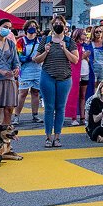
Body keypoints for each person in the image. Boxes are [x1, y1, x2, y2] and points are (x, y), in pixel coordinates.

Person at [33, 17, 78, 147]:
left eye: (61, 23)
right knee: (49, 107)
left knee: (60, 107)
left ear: (65, 26)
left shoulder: (70, 41)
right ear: (52, 26)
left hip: (64, 77)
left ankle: (57, 137)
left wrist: (65, 49)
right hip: (48, 76)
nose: (58, 25)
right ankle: (48, 137)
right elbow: (36, 59)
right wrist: (46, 51)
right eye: (56, 24)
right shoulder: (45, 40)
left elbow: (75, 60)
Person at [16, 20, 44, 122]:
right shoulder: (21, 41)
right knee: (22, 93)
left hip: (38, 70)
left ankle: (35, 115)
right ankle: (16, 116)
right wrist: (31, 59)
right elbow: (19, 56)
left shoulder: (40, 41)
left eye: (34, 26)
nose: (32, 28)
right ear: (26, 28)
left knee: (35, 92)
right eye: (30, 26)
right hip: (25, 70)